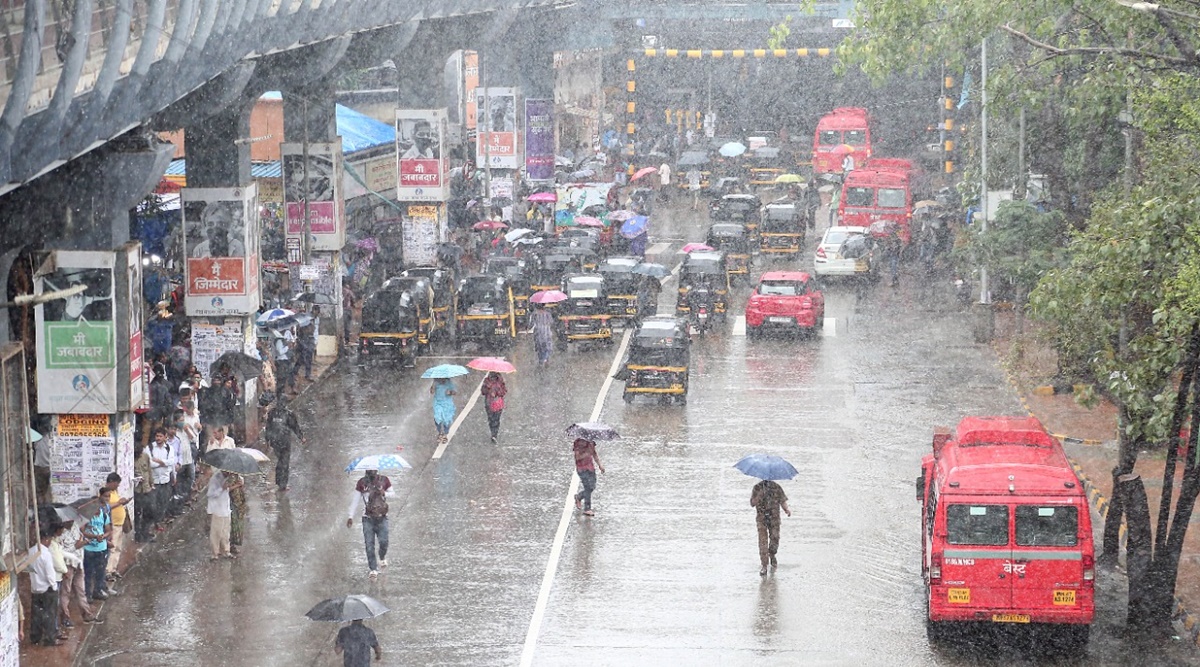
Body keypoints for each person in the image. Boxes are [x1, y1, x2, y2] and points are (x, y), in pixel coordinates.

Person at [56, 517, 100, 627]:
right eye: (68, 521)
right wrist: (77, 545)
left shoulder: (75, 526)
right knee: (66, 592)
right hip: (68, 565)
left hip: (79, 563)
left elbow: (81, 537)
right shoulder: (59, 534)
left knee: (81, 590)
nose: (70, 522)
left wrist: (84, 541)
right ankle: (65, 617)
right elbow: (60, 552)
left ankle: (87, 614)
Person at [347, 469, 391, 578]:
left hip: (382, 517)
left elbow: (393, 494)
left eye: (374, 470)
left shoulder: (384, 480)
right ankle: (373, 569)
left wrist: (384, 493)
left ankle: (382, 556)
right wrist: (350, 516)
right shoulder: (361, 483)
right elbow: (355, 500)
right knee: (369, 544)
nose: (372, 472)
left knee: (384, 541)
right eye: (370, 470)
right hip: (367, 519)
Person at [750, 478, 791, 576]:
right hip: (761, 519)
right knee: (763, 542)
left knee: (775, 538)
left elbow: (782, 500)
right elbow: (752, 503)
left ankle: (772, 554)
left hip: (774, 518)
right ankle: (764, 565)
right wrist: (758, 496)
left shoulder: (776, 487)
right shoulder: (757, 488)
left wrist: (786, 510)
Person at [28, 528, 61, 646]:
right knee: (49, 615)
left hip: (35, 588)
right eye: (49, 539)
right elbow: (50, 573)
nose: (50, 542)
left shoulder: (31, 552)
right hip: (47, 589)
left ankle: (35, 637)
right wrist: (54, 586)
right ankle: (50, 638)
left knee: (36, 615)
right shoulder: (45, 554)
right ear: (45, 539)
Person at [80, 494, 112, 601]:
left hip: (101, 548)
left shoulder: (104, 516)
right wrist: (94, 536)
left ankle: (97, 591)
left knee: (100, 572)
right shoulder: (86, 517)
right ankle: (88, 594)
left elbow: (108, 530)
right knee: (88, 573)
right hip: (88, 549)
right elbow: (82, 531)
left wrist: (104, 537)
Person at [102, 473, 132, 583]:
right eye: (116, 484)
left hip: (119, 523)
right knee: (112, 548)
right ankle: (108, 571)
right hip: (112, 524)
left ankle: (113, 569)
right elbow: (105, 508)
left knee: (118, 547)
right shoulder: (105, 493)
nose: (117, 486)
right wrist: (119, 503)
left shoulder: (115, 492)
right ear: (111, 482)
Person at [266, 401, 302, 491]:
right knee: (284, 463)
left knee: (280, 461)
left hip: (275, 442)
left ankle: (279, 481)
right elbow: (295, 426)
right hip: (284, 442)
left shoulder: (272, 413)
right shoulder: (288, 414)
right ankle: (283, 484)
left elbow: (268, 427)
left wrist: (268, 440)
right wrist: (301, 437)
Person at [148, 428, 173, 534]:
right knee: (152, 504)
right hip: (154, 481)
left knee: (163, 502)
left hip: (165, 480)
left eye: (160, 436)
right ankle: (154, 522)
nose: (158, 438)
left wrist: (159, 461)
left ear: (165, 437)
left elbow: (171, 461)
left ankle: (158, 521)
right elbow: (150, 464)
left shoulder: (169, 448)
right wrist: (163, 463)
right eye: (157, 436)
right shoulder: (149, 448)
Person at [206, 469, 235, 560]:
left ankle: (226, 550)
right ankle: (215, 553)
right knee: (216, 532)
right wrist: (222, 488)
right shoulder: (215, 479)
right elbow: (210, 494)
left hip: (225, 508)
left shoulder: (228, 478)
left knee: (226, 531)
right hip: (217, 509)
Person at [572, 438, 604, 517]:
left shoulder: (591, 443)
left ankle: (579, 497)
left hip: (590, 468)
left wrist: (600, 465)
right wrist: (587, 453)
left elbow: (594, 454)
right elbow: (577, 457)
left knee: (592, 487)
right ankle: (587, 508)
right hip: (582, 469)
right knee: (587, 487)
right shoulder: (578, 443)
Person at [133, 444, 154, 542]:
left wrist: (151, 483)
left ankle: (145, 532)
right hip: (137, 490)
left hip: (146, 489)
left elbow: (149, 470)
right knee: (137, 514)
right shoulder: (130, 459)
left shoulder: (145, 456)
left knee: (149, 512)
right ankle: (138, 535)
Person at [480, 372, 507, 443]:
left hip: (498, 404)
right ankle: (493, 432)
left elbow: (504, 391)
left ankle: (494, 434)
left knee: (496, 419)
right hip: (489, 403)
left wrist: (497, 393)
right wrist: (488, 390)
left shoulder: (501, 381)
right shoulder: (487, 381)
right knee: (491, 419)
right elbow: (483, 391)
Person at [430, 378, 457, 444]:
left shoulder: (449, 383)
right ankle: (440, 432)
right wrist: (432, 388)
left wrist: (450, 392)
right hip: (438, 403)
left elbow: (455, 392)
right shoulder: (435, 382)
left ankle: (445, 433)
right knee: (437, 418)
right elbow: (432, 392)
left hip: (447, 404)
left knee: (446, 420)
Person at [228, 472, 247, 553]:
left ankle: (233, 544)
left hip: (238, 504)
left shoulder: (239, 477)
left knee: (237, 524)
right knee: (232, 525)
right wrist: (237, 485)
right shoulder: (227, 478)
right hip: (231, 503)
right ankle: (230, 544)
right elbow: (226, 489)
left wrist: (241, 485)